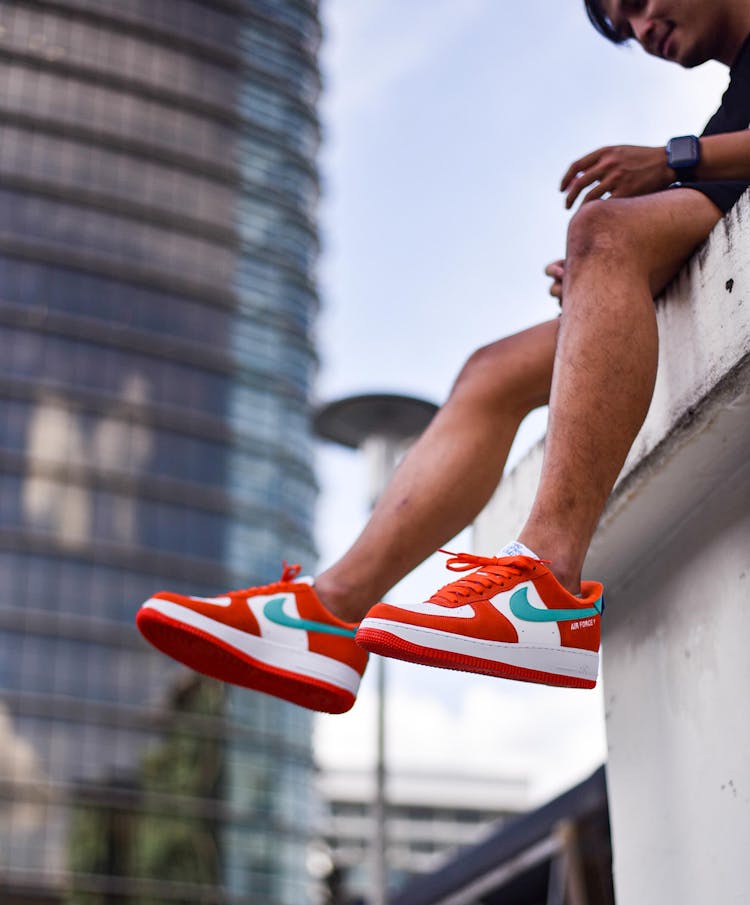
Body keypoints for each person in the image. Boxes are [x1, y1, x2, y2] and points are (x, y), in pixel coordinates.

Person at [137, 0, 750, 714]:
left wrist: (670, 168)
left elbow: (692, 187)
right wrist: (598, 276)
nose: (642, 31)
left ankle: (546, 585)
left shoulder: (712, 133)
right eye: (623, 26)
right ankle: (326, 615)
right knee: (491, 370)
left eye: (638, 5)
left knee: (600, 230)